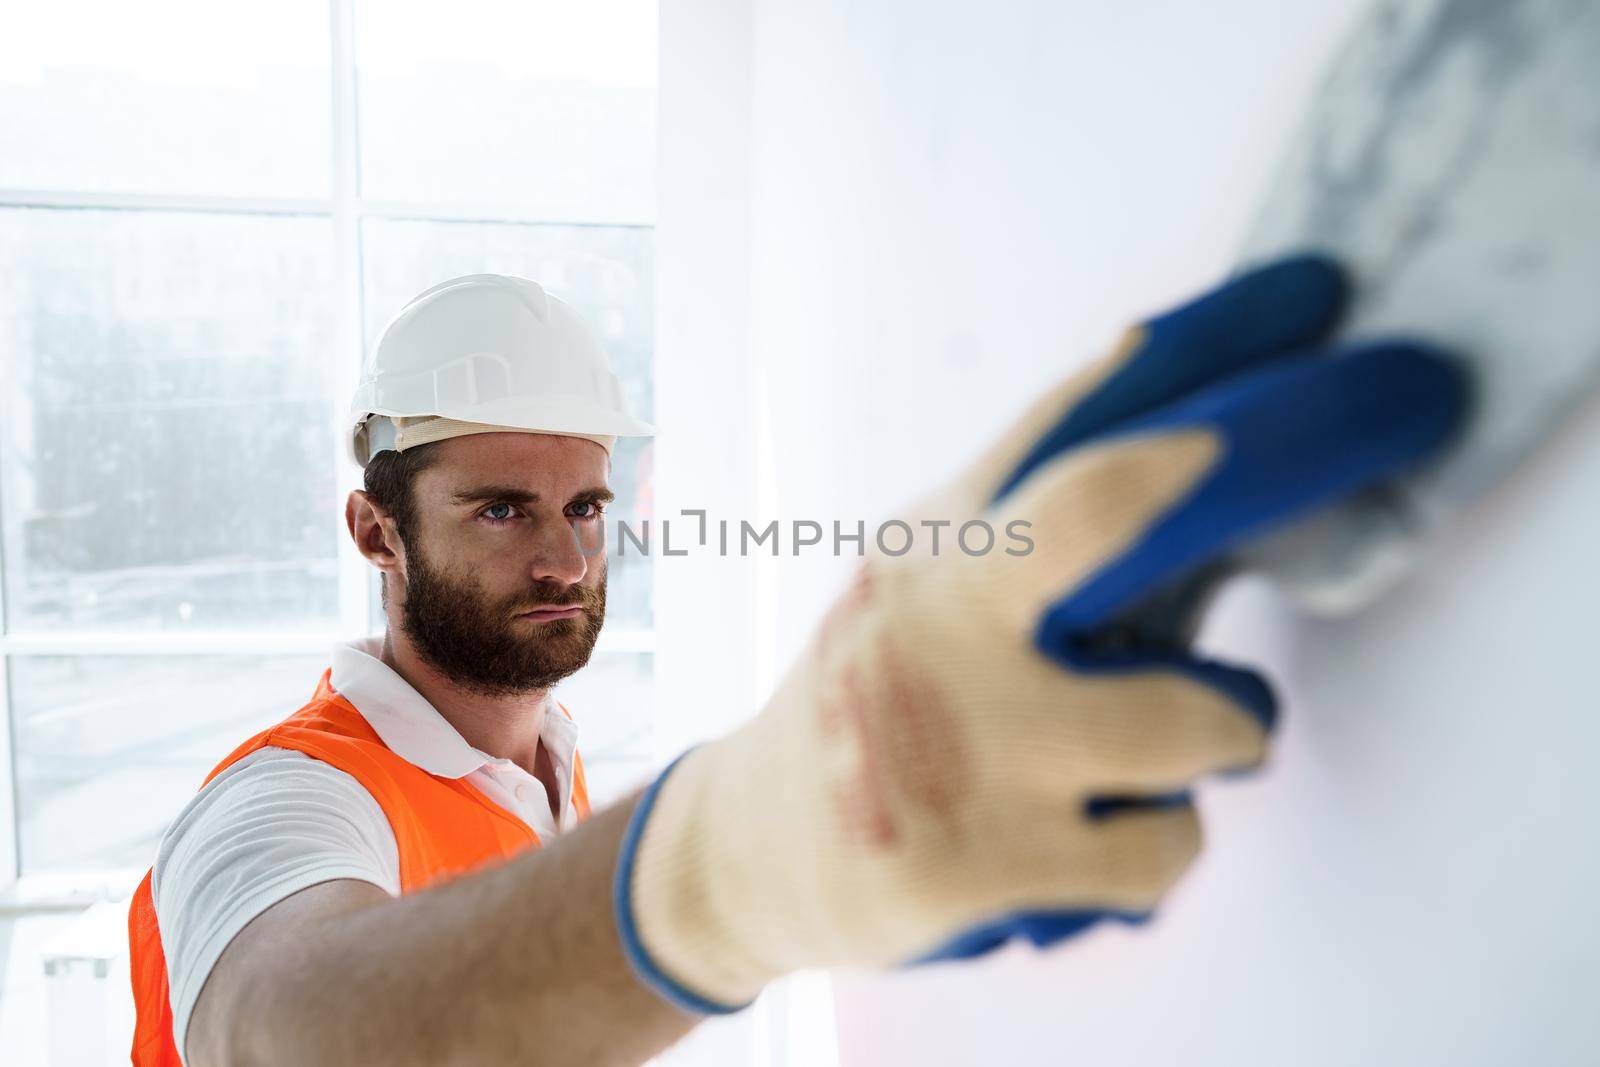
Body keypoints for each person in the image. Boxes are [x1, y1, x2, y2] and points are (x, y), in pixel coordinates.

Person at [127, 259, 1468, 1066]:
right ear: (374, 527)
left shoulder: (543, 759)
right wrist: (725, 872)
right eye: (499, 509)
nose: (561, 559)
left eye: (584, 507)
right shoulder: (283, 802)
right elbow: (281, 1033)